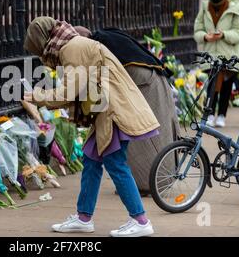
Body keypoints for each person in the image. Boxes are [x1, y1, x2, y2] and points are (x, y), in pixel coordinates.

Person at [23, 17, 159, 237]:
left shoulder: (71, 49)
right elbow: (78, 88)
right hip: (107, 109)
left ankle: (141, 220)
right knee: (92, 161)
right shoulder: (72, 45)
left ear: (42, 40)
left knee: (115, 163)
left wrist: (37, 97)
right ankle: (83, 218)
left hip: (113, 110)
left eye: (37, 48)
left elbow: (68, 91)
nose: (40, 56)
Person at [74, 26, 180, 195]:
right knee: (147, 134)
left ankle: (149, 183)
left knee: (146, 137)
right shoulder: (104, 37)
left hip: (146, 85)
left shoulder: (96, 47)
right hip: (149, 82)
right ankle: (149, 181)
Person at [194, 0, 239, 128]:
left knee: (225, 86)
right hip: (211, 54)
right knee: (212, 85)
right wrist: (205, 36)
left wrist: (224, 34)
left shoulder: (232, 9)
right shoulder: (205, 8)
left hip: (229, 55)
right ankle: (209, 114)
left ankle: (222, 115)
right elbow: (197, 29)